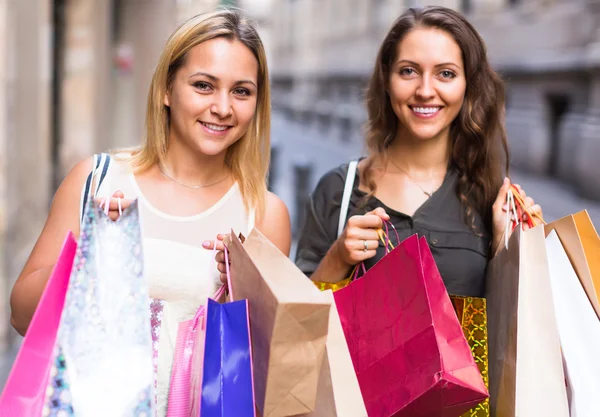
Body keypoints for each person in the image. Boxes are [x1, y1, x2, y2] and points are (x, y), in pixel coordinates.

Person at [10, 9, 291, 415]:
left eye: (242, 91)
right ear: (166, 89)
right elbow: (21, 316)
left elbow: (266, 372)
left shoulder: (264, 214)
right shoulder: (96, 179)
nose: (223, 107)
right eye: (203, 85)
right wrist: (94, 253)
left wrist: (239, 289)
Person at [295, 6, 542, 297]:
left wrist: (509, 246)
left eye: (446, 74)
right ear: (387, 80)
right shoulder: (339, 190)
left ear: (468, 86)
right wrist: (338, 258)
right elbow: (298, 323)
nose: (425, 90)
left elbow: (512, 325)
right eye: (409, 71)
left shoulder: (490, 195)